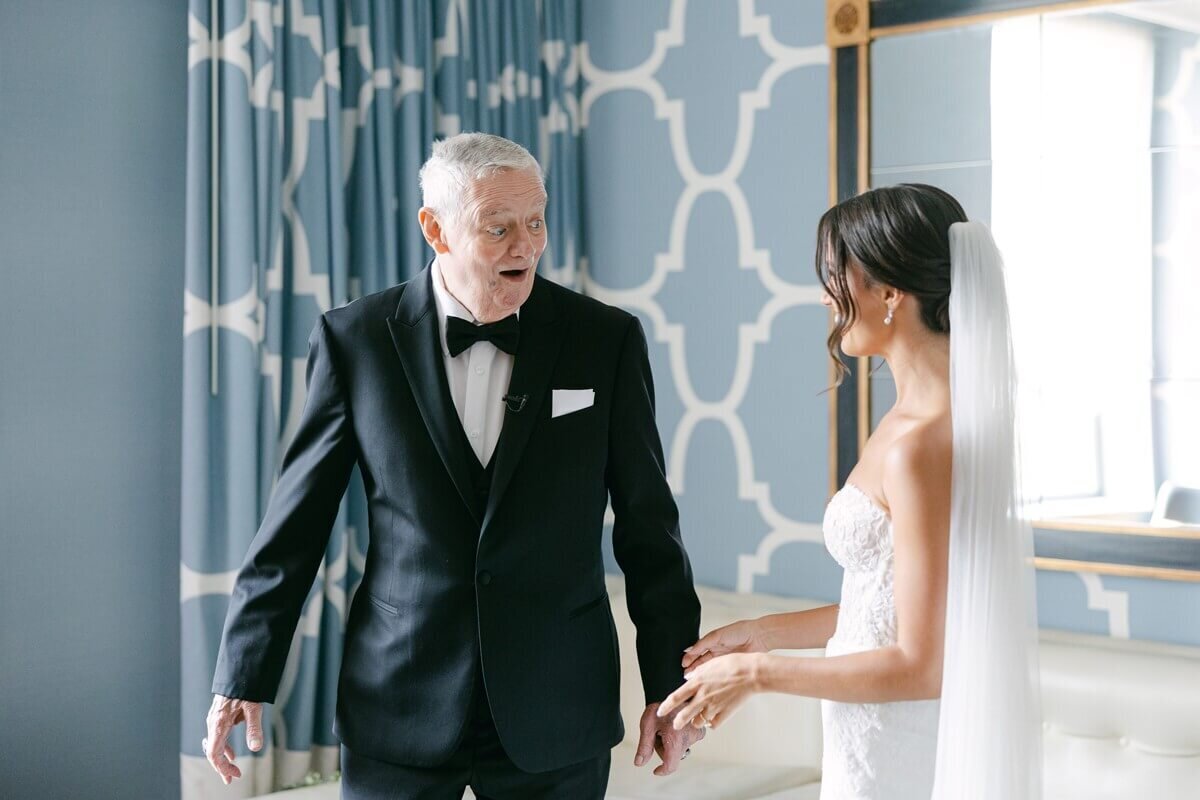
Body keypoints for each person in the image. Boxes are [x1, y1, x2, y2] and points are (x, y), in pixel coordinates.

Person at [203, 132, 704, 799]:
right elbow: (295, 526)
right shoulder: (355, 341)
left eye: (536, 222)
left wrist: (673, 690)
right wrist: (243, 672)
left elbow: (649, 531)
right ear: (434, 230)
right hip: (398, 702)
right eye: (499, 228)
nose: (526, 246)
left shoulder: (604, 339)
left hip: (557, 705)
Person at [657, 184, 1042, 800]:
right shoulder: (909, 420)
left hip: (901, 742)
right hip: (864, 732)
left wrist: (756, 673)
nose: (825, 296)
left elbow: (922, 662)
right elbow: (890, 606)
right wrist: (767, 632)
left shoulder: (923, 441)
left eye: (837, 275)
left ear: (890, 293)